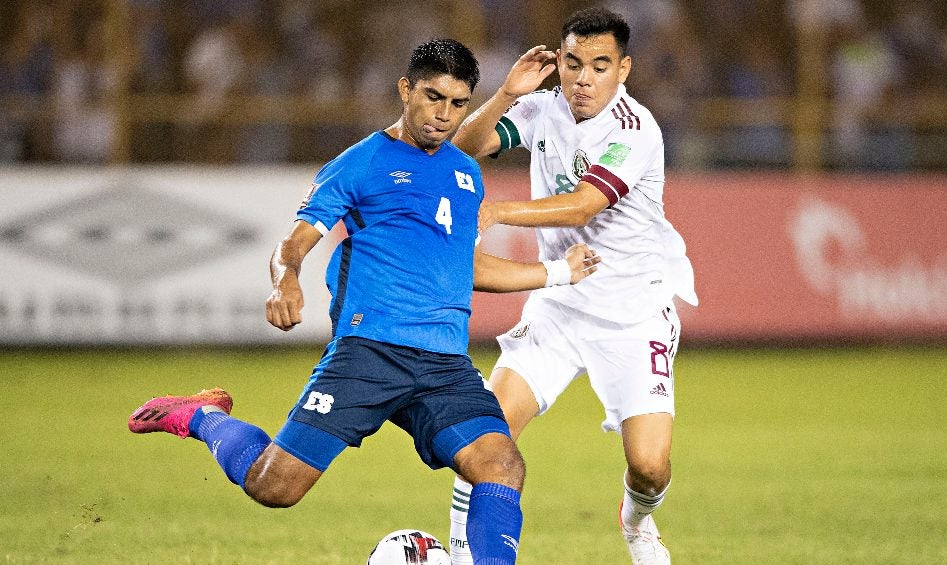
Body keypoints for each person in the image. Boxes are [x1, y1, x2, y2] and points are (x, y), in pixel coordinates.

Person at [127, 38, 599, 565]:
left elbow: (466, 270)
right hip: (369, 352)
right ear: (405, 90)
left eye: (457, 104)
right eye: (432, 97)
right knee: (274, 487)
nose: (443, 116)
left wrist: (557, 273)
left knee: (501, 464)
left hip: (444, 364)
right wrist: (286, 280)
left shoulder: (465, 177)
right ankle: (202, 417)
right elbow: (294, 243)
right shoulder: (363, 162)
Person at [445, 9, 697, 565]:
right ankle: (464, 555)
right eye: (573, 63)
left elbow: (585, 202)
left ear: (623, 69)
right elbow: (464, 147)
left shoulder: (637, 131)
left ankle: (636, 521)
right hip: (561, 299)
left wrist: (500, 210)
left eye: (599, 66)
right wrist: (507, 93)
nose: (583, 78)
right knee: (486, 434)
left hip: (635, 311)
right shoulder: (542, 108)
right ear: (559, 62)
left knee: (650, 467)